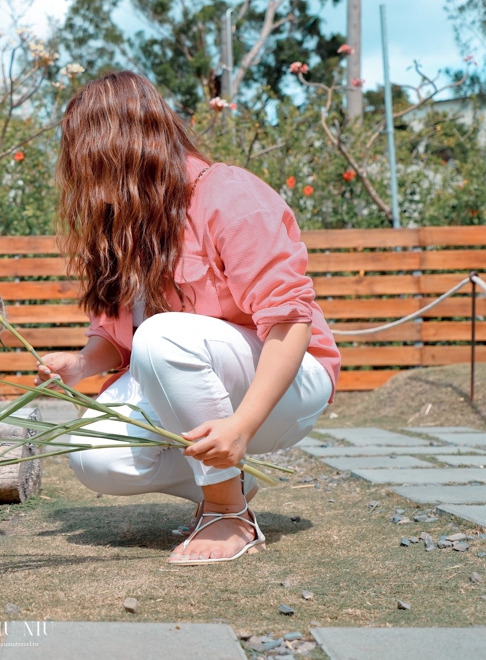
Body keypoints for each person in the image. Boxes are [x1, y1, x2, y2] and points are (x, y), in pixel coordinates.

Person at [35, 71, 341, 565]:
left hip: (287, 386)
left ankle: (226, 512)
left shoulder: (227, 194)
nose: (81, 180)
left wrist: (241, 427)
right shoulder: (126, 227)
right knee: (94, 454)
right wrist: (82, 363)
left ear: (125, 149)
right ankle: (229, 484)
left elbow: (290, 324)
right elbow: (123, 340)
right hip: (194, 377)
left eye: (87, 163)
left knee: (164, 337)